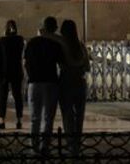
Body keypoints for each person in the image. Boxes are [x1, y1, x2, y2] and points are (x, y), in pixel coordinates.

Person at [23, 16, 64, 155]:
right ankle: (44, 147)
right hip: (50, 83)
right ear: (55, 29)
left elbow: (25, 62)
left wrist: (30, 76)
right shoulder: (55, 44)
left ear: (43, 28)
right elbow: (61, 64)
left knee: (34, 118)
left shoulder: (32, 42)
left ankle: (33, 147)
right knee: (48, 118)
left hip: (34, 83)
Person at [58, 19, 90, 156]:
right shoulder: (81, 46)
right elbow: (87, 66)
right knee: (79, 114)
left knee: (67, 114)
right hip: (80, 82)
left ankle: (70, 142)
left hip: (65, 82)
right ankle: (77, 143)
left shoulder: (62, 46)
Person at [0, 20, 25, 130]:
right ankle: (19, 121)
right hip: (16, 70)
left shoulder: (2, 40)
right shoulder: (20, 40)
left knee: (2, 97)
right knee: (18, 96)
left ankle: (2, 121)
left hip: (4, 71)